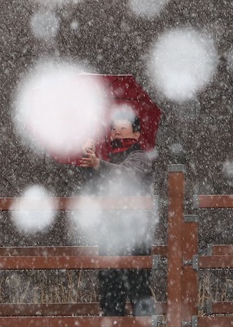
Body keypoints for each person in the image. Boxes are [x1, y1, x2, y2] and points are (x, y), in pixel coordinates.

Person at [80, 114, 156, 317]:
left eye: (123, 127)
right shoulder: (107, 159)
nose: (117, 131)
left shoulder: (141, 158)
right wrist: (89, 155)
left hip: (136, 237)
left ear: (137, 133)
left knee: (139, 292)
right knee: (110, 297)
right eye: (114, 128)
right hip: (110, 237)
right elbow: (94, 189)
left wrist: (99, 164)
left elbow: (125, 175)